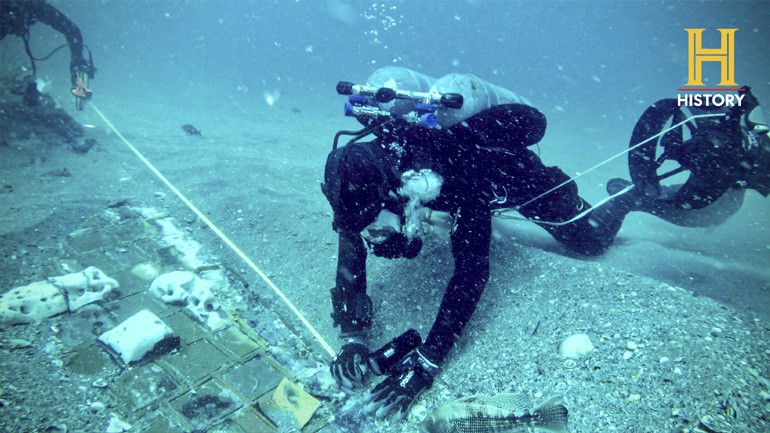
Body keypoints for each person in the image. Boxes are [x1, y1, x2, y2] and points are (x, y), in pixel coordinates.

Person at [321, 68, 628, 420]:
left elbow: (472, 271)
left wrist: (426, 361)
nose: (372, 235)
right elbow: (350, 243)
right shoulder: (364, 172)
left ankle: (628, 198)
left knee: (592, 241)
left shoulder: (458, 173)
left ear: (395, 196)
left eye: (374, 225)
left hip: (515, 180)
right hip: (440, 190)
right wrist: (352, 336)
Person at [1, 0, 95, 108]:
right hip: (18, 10)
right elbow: (72, 31)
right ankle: (78, 71)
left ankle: (78, 72)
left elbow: (72, 31)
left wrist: (77, 65)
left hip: (23, 9)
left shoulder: (32, 6)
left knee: (72, 31)